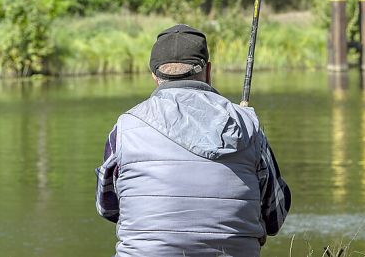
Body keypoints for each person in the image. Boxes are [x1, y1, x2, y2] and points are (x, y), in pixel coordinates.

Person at [95, 24, 291, 256]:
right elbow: (276, 216)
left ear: (154, 76)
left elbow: (106, 207)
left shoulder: (125, 127)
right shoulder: (247, 125)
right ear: (208, 71)